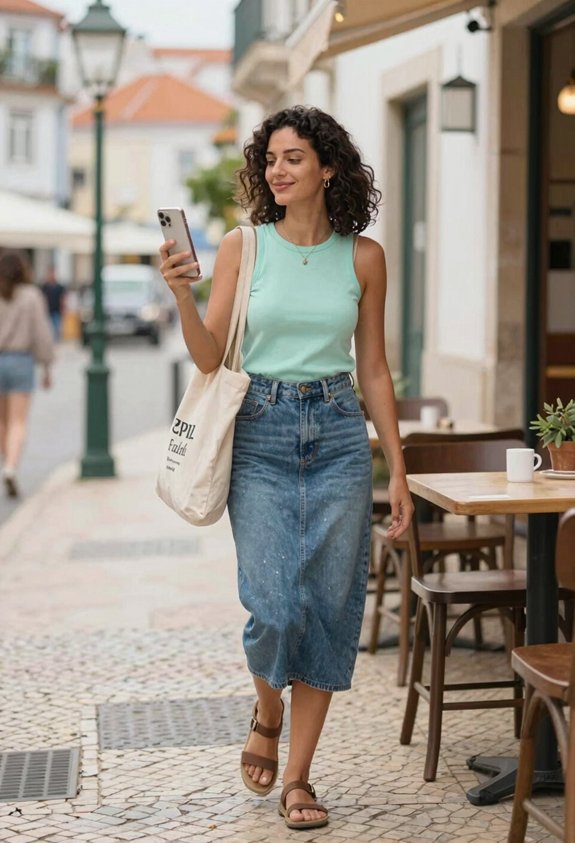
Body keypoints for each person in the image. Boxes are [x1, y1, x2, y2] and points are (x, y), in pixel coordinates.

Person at [159, 105, 414, 830]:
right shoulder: (245, 247)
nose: (278, 168)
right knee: (273, 604)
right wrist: (182, 291)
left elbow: (373, 368)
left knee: (329, 609)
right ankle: (266, 708)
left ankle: (298, 777)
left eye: (294, 157)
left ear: (328, 168)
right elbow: (211, 357)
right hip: (262, 432)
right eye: (271, 157)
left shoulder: (364, 257)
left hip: (336, 433)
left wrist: (393, 466)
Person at [0, 251, 54, 497]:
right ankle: (11, 466)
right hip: (21, 360)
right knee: (18, 421)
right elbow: (42, 334)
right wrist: (47, 366)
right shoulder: (31, 296)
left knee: (2, 421)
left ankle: (7, 460)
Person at [40, 266, 66, 341]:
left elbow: (63, 298)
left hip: (56, 311)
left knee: (56, 329)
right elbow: (42, 298)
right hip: (47, 311)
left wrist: (63, 308)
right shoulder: (44, 286)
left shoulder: (59, 286)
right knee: (48, 330)